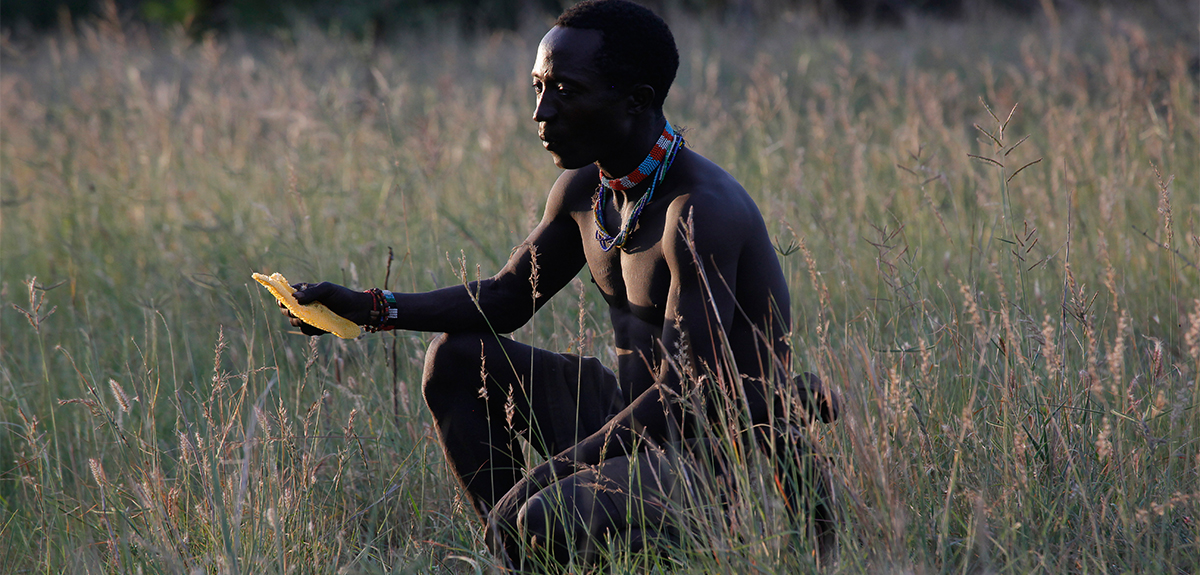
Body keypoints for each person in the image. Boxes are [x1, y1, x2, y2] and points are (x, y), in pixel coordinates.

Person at [278, 0, 837, 569]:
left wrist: (555, 470)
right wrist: (370, 309)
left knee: (545, 509)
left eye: (566, 91)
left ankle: (544, 527)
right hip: (625, 419)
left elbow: (687, 396)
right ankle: (527, 555)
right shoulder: (586, 192)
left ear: (636, 100)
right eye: (538, 87)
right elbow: (505, 298)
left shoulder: (699, 213)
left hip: (711, 463)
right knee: (455, 359)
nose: (541, 111)